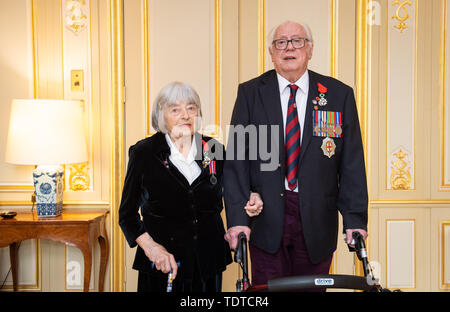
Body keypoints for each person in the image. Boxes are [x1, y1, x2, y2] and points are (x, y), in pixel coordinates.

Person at [223, 21, 368, 289]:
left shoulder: (338, 95)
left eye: (297, 41)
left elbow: (351, 163)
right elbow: (236, 161)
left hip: (317, 220)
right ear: (271, 50)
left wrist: (355, 219)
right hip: (265, 218)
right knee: (266, 291)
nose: (289, 47)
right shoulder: (251, 94)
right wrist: (237, 221)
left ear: (310, 49)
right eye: (281, 42)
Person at [119, 81, 232, 292]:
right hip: (162, 264)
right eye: (175, 109)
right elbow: (127, 215)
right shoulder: (144, 153)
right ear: (162, 116)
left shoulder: (214, 148)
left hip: (208, 262)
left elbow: (234, 193)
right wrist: (153, 249)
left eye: (191, 108)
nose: (185, 115)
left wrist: (252, 198)